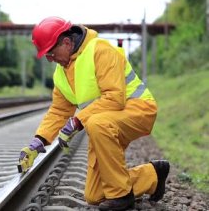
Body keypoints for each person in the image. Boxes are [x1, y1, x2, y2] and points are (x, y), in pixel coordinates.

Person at [18, 16, 170, 211]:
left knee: (95, 123)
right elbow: (58, 110)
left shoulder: (100, 50)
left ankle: (122, 197)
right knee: (95, 195)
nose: (49, 59)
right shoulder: (61, 73)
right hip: (107, 121)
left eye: (51, 52)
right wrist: (38, 141)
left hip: (138, 109)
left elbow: (115, 97)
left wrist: (77, 121)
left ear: (66, 42)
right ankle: (153, 175)